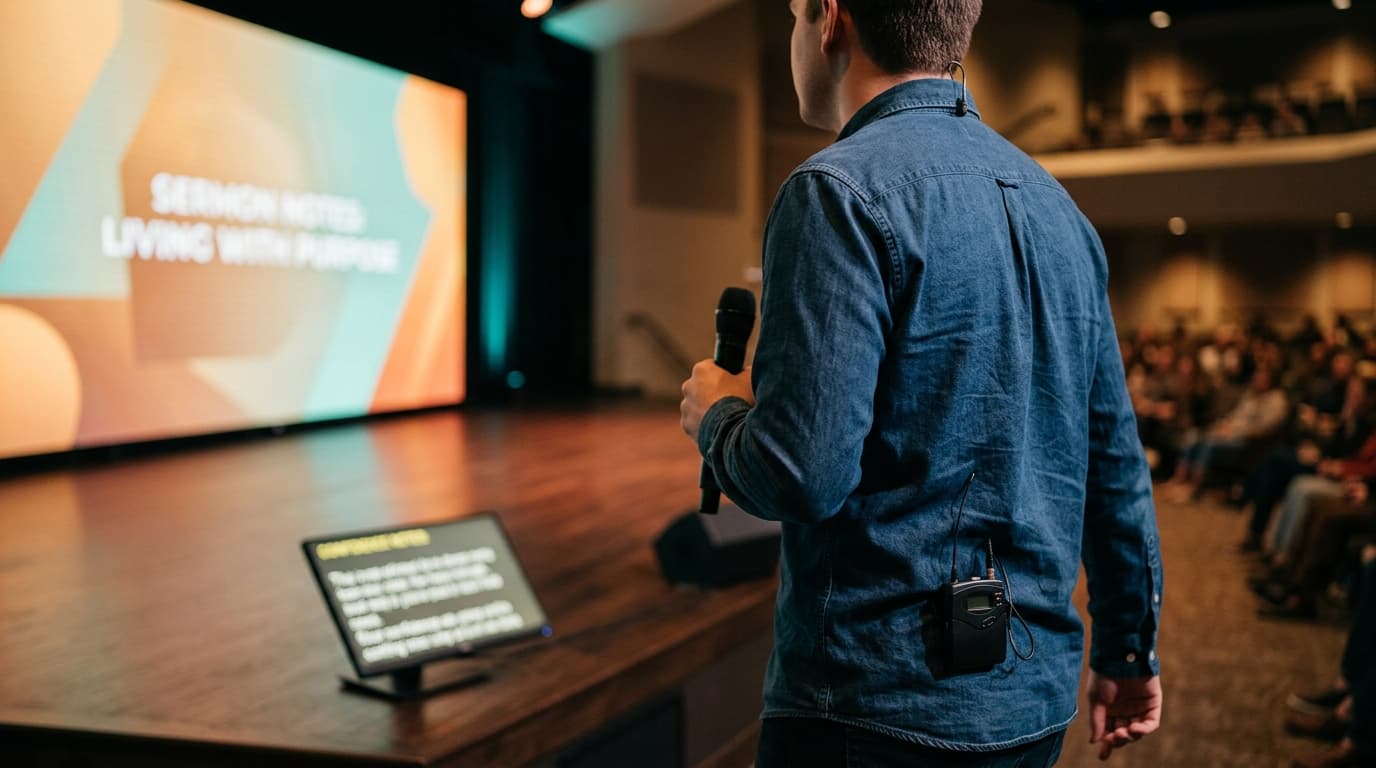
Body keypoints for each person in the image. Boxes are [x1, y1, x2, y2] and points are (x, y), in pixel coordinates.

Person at [679, 1, 1163, 765]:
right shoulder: (1062, 212)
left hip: (868, 708)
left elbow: (799, 475)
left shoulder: (836, 190)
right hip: (1031, 703)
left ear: (830, 18)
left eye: (795, 15)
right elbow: (1114, 465)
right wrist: (1128, 652)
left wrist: (717, 415)